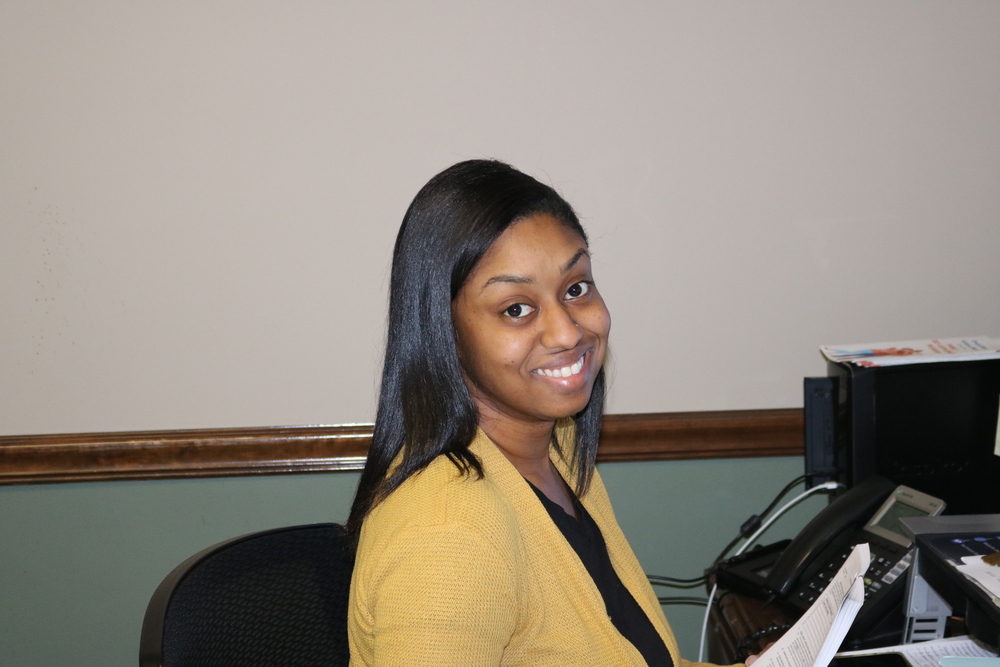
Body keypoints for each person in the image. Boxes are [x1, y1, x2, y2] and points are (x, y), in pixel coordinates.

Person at [346, 159, 745, 666]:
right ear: (444, 334)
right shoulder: (448, 535)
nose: (567, 332)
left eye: (576, 288)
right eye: (516, 308)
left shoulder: (557, 446)